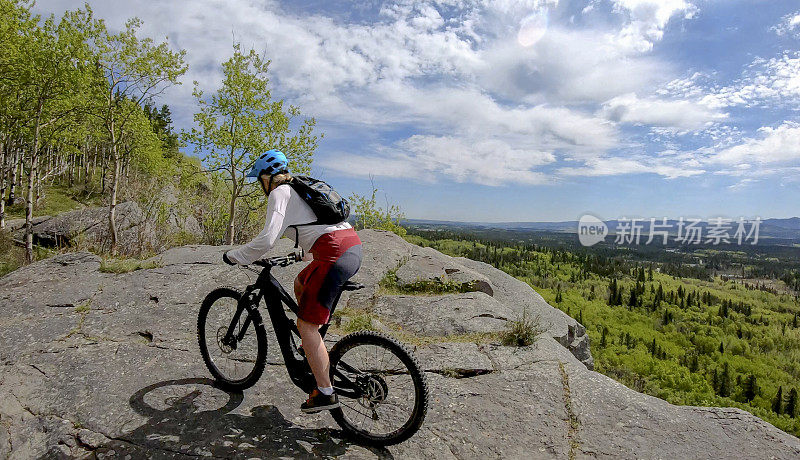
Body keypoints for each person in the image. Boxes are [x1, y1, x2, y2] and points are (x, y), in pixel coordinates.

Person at [222, 149, 362, 413]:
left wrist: (236, 256)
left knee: (305, 325)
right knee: (301, 282)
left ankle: (325, 392)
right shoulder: (299, 186)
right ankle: (312, 345)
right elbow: (315, 224)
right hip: (350, 245)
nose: (259, 184)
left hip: (334, 254)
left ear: (267, 176)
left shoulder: (280, 192)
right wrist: (301, 252)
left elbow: (266, 240)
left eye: (259, 178)